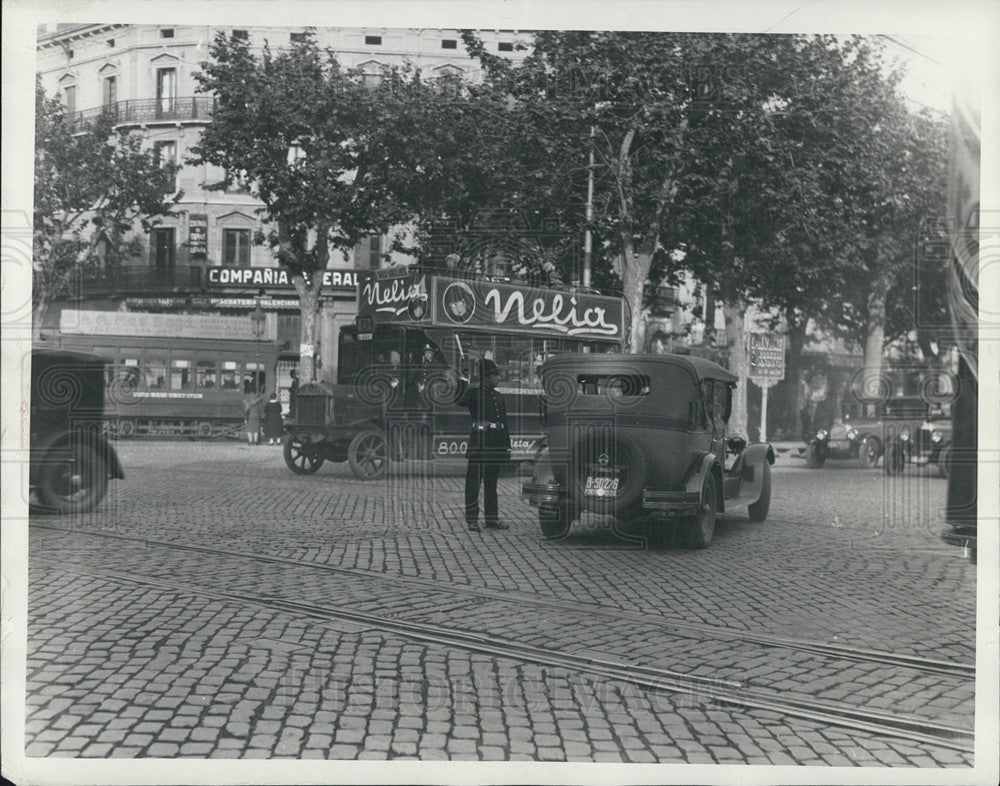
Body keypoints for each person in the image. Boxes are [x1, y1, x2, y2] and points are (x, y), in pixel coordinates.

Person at [456, 359, 511, 532]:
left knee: (491, 483)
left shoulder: (499, 397)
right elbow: (458, 400)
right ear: (486, 377)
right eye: (495, 375)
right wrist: (463, 379)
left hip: (495, 443)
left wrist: (505, 448)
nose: (499, 378)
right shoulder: (473, 394)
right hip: (479, 443)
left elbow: (503, 423)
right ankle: (472, 519)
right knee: (473, 483)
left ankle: (491, 519)